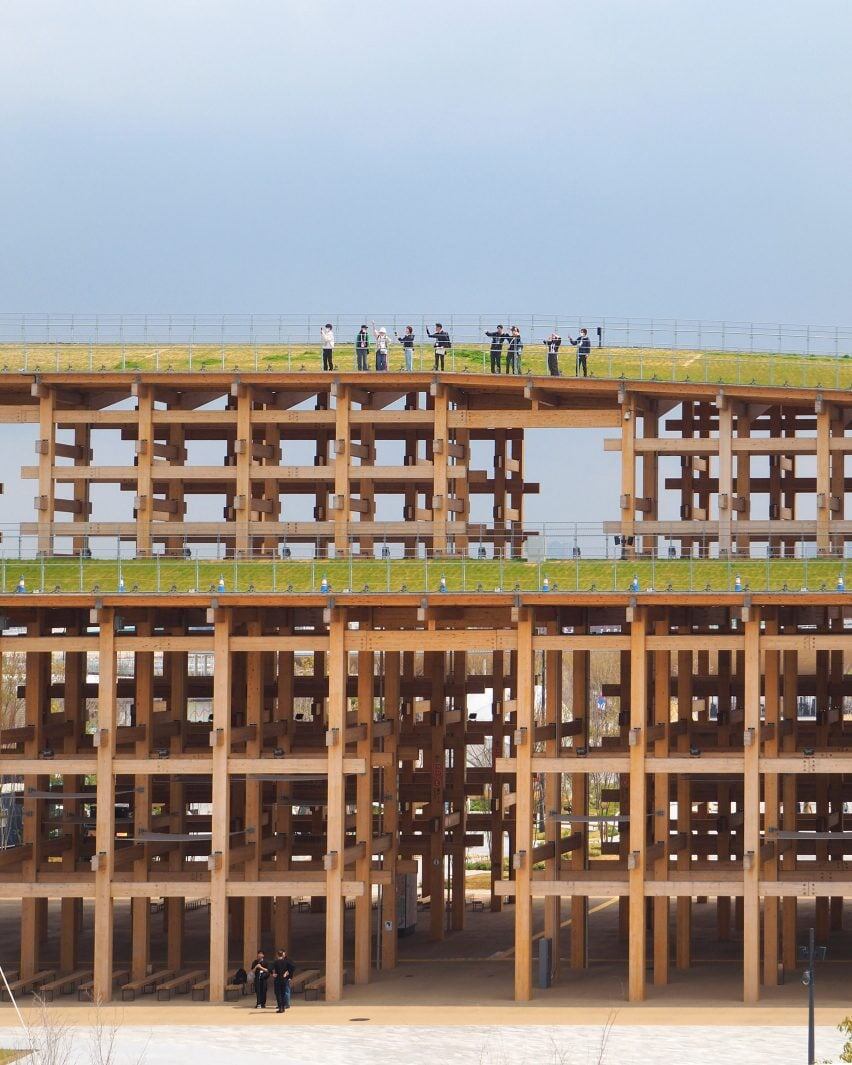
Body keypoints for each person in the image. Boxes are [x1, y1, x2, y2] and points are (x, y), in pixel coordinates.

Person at [272, 949, 295, 1013]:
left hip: (277, 980)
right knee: (283, 993)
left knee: (278, 994)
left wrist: (273, 974)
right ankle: (284, 1007)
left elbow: (270, 969)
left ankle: (281, 1008)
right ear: (283, 955)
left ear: (277, 955)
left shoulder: (275, 962)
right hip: (284, 979)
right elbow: (292, 967)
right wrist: (287, 973)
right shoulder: (286, 961)